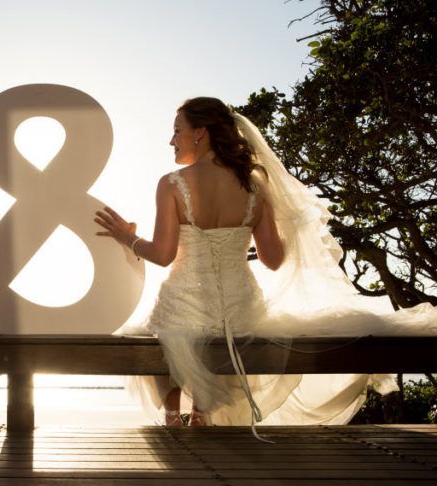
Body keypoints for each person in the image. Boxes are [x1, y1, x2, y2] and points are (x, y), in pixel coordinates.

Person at [95, 97, 437, 443]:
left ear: (200, 132)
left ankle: (173, 415)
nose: (172, 140)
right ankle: (200, 414)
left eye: (177, 131)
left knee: (157, 335)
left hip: (182, 304)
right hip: (240, 310)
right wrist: (287, 227)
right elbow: (273, 259)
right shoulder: (255, 187)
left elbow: (164, 254)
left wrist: (128, 237)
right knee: (217, 336)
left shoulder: (172, 184)